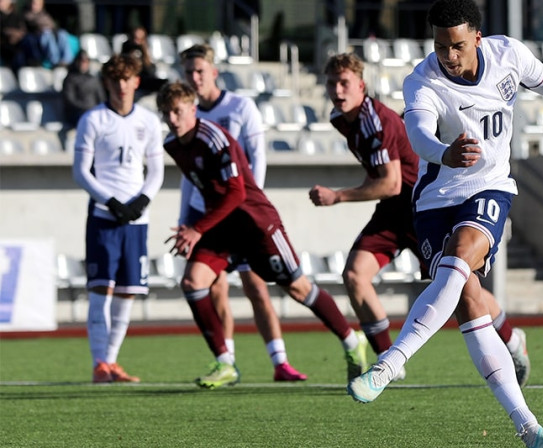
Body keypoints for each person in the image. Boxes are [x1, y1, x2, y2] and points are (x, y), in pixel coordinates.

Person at [346, 1, 543, 447]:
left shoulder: (508, 54)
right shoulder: (422, 80)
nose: (448, 55)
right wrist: (442, 152)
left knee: (461, 256)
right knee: (470, 306)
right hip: (434, 201)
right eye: (440, 46)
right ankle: (529, 428)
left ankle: (390, 363)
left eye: (457, 45)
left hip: (489, 187)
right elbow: (418, 134)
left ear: (478, 38)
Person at [313, 52, 532, 386]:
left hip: (422, 206)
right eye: (332, 83)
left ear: (361, 85)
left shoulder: (375, 119)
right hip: (392, 210)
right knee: (355, 274)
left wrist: (337, 196)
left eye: (344, 83)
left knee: (463, 287)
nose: (337, 91)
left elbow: (391, 181)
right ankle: (389, 362)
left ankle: (512, 338)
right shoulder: (341, 118)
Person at [156, 81, 368, 388]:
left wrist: (196, 228)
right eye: (166, 113)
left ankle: (352, 341)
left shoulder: (213, 138)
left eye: (177, 111)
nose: (172, 119)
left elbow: (236, 192)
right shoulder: (172, 144)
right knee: (192, 282)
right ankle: (225, 362)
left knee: (298, 289)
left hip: (256, 223)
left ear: (192, 108)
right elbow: (205, 189)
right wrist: (192, 226)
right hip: (221, 226)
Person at [177, 43, 308, 382]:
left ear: (214, 72)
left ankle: (280, 362)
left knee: (256, 286)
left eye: (200, 71)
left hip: (242, 213)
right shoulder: (187, 115)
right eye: (189, 72)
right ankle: (227, 362)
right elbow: (188, 177)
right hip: (207, 216)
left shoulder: (240, 106)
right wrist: (184, 219)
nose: (195, 78)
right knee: (214, 287)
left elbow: (257, 158)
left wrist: (250, 209)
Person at [72, 53, 165, 383]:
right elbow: (81, 172)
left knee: (127, 292)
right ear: (106, 83)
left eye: (127, 79)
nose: (121, 86)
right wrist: (110, 202)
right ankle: (99, 363)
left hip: (136, 220)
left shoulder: (149, 121)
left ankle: (111, 362)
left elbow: (156, 171)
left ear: (137, 82)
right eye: (115, 80)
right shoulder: (93, 120)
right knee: (101, 290)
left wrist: (141, 200)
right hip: (103, 216)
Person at [23, 0, 75, 68]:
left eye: (37, 4)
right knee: (47, 34)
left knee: (63, 33)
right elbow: (36, 26)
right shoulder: (27, 14)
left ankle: (67, 61)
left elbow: (52, 25)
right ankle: (55, 62)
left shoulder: (45, 14)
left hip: (50, 33)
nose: (34, 6)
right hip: (37, 37)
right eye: (33, 3)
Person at [62, 50, 106, 129]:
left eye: (86, 61)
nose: (83, 64)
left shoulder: (94, 79)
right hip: (78, 114)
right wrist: (87, 108)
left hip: (95, 112)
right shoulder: (70, 79)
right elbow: (70, 101)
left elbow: (101, 99)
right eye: (81, 60)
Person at [120, 25, 165, 95]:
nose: (137, 42)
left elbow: (149, 69)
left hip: (145, 78)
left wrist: (145, 51)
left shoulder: (146, 48)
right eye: (135, 38)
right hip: (133, 78)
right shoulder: (127, 47)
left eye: (140, 39)